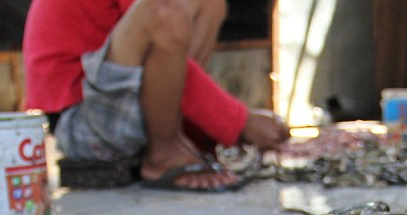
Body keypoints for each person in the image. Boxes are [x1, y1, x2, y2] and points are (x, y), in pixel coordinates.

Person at [23, 0, 289, 191]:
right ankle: (163, 154)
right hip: (82, 124)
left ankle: (176, 132)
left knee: (209, 2)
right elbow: (159, 20)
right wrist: (239, 121)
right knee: (163, 12)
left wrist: (226, 125)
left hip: (109, 109)